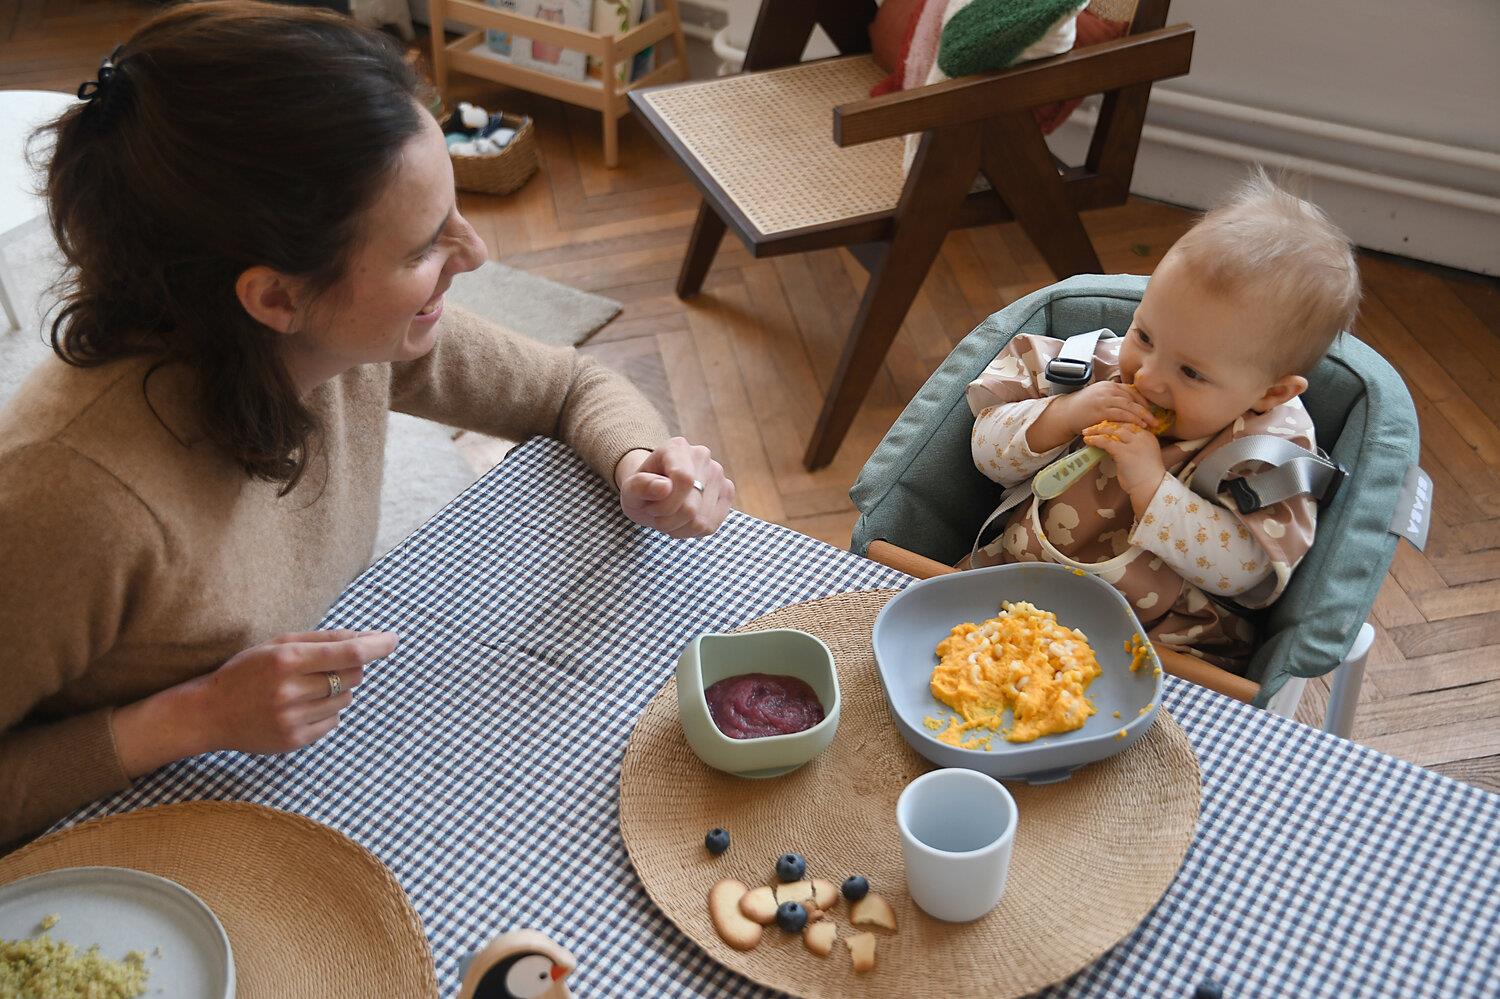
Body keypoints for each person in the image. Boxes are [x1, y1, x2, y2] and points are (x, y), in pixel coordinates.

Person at [0, 1, 734, 845]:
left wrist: (643, 462)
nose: (475, 253)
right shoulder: (64, 498)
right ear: (276, 295)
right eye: (423, 247)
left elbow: (568, 386)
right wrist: (185, 718)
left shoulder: (346, 339)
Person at [965, 170, 1360, 665]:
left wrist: (1152, 485)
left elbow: (1247, 573)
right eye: (1145, 336)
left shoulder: (1267, 452)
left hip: (1155, 644)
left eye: (1191, 371)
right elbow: (986, 456)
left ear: (1271, 392)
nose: (1147, 378)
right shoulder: (1090, 369)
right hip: (1006, 580)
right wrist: (1064, 413)